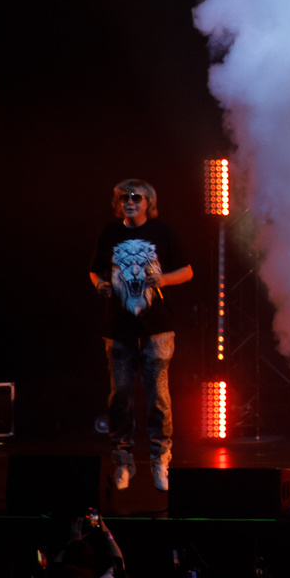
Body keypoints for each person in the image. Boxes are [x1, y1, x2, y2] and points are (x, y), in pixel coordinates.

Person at [89, 179, 194, 492]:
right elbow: (94, 269)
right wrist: (99, 284)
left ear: (149, 202)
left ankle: (160, 459)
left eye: (136, 197)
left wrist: (163, 280)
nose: (130, 202)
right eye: (124, 198)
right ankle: (123, 461)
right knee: (120, 397)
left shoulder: (164, 233)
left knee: (158, 398)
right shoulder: (110, 232)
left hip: (156, 329)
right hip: (118, 329)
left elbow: (188, 271)